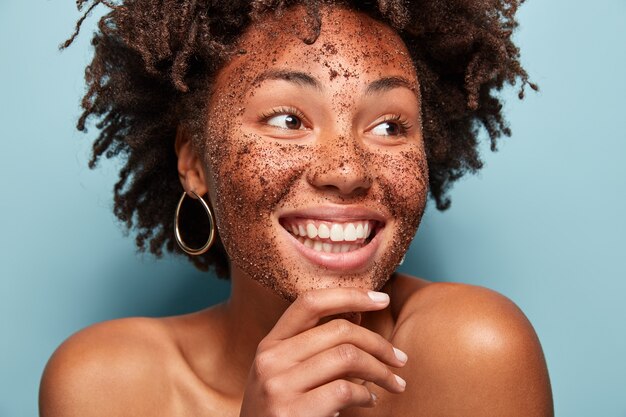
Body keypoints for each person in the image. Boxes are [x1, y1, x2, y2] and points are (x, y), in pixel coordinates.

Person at [40, 1, 553, 416]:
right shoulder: (102, 387)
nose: (348, 170)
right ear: (194, 161)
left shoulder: (473, 350)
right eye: (287, 120)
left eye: (389, 127)